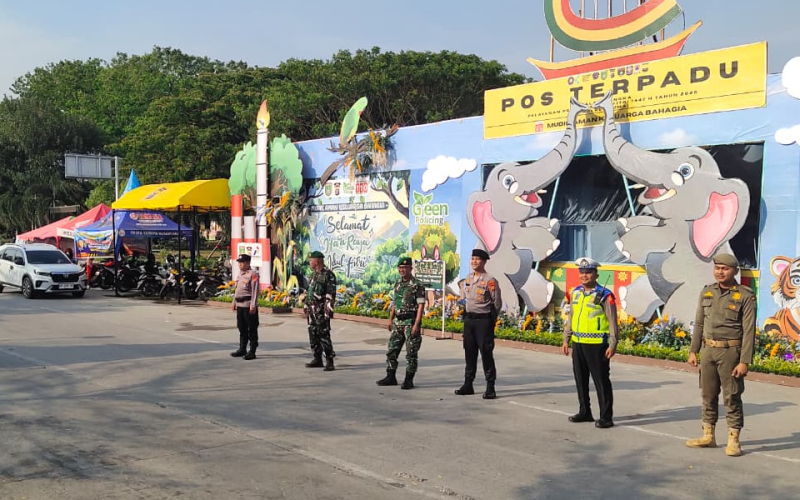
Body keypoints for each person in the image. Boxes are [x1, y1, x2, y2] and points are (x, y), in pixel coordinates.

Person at [685, 253, 755, 457]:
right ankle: (708, 435)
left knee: (732, 396)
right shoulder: (707, 292)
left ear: (734, 271)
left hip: (730, 352)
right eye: (717, 268)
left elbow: (749, 330)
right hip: (708, 351)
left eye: (725, 268)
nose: (720, 272)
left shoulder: (745, 295)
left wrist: (744, 361)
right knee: (708, 394)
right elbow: (699, 323)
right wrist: (693, 350)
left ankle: (734, 440)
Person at [561, 257, 618, 429]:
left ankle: (606, 417)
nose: (584, 275)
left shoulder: (605, 295)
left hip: (597, 345)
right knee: (581, 379)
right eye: (582, 272)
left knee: (601, 381)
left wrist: (613, 343)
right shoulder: (576, 293)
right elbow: (571, 318)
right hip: (578, 343)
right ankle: (585, 411)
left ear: (596, 275)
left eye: (588, 272)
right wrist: (566, 339)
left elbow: (612, 321)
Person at [455, 248, 502, 399]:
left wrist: (491, 320)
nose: (474, 261)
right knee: (469, 352)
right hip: (469, 320)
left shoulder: (490, 280)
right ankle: (468, 383)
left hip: (483, 321)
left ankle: (490, 386)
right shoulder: (468, 278)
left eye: (477, 259)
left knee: (486, 353)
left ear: (484, 261)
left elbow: (497, 302)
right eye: (473, 259)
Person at [376, 257, 426, 390]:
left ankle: (408, 380)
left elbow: (421, 305)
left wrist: (417, 324)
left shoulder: (417, 285)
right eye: (400, 268)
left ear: (410, 268)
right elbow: (394, 303)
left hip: (410, 322)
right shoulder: (397, 283)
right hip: (398, 322)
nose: (402, 270)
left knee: (411, 352)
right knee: (392, 350)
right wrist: (390, 319)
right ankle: (390, 376)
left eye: (405, 267)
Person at [304, 251, 337, 371]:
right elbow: (309, 292)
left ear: (317, 261)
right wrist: (306, 306)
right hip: (311, 311)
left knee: (324, 335)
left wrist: (328, 312)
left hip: (321, 312)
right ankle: (317, 358)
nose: (310, 263)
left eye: (311, 260)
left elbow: (330, 294)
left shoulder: (328, 275)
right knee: (313, 334)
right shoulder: (313, 275)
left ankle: (329, 360)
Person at [231, 254, 259, 360]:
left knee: (251, 328)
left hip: (248, 305)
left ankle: (252, 351)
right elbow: (237, 289)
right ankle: (242, 349)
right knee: (241, 328)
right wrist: (234, 302)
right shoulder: (240, 274)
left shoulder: (253, 274)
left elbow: (255, 291)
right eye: (239, 262)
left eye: (242, 262)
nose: (240, 264)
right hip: (240, 305)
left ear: (248, 263)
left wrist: (253, 305)